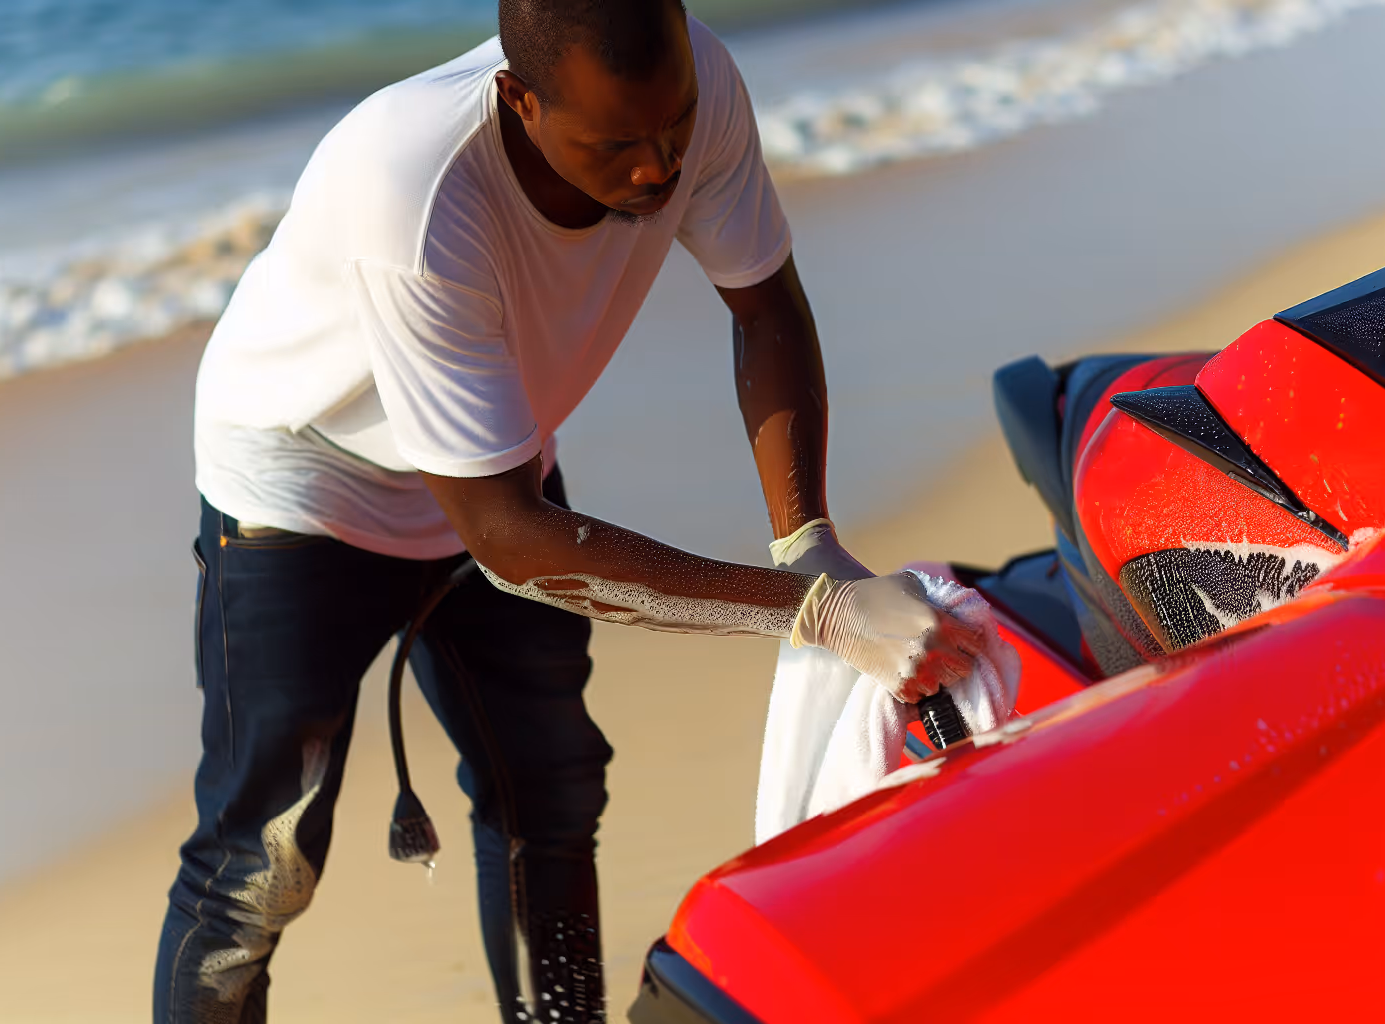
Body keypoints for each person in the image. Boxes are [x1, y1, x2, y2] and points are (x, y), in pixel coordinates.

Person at [155, 1, 985, 1020]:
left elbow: (764, 304)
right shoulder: (413, 193)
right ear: (521, 100)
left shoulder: (695, 89)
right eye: (615, 145)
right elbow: (507, 540)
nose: (656, 170)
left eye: (671, 131)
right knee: (260, 859)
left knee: (550, 791)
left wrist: (806, 538)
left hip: (497, 459)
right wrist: (810, 611)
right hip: (305, 484)